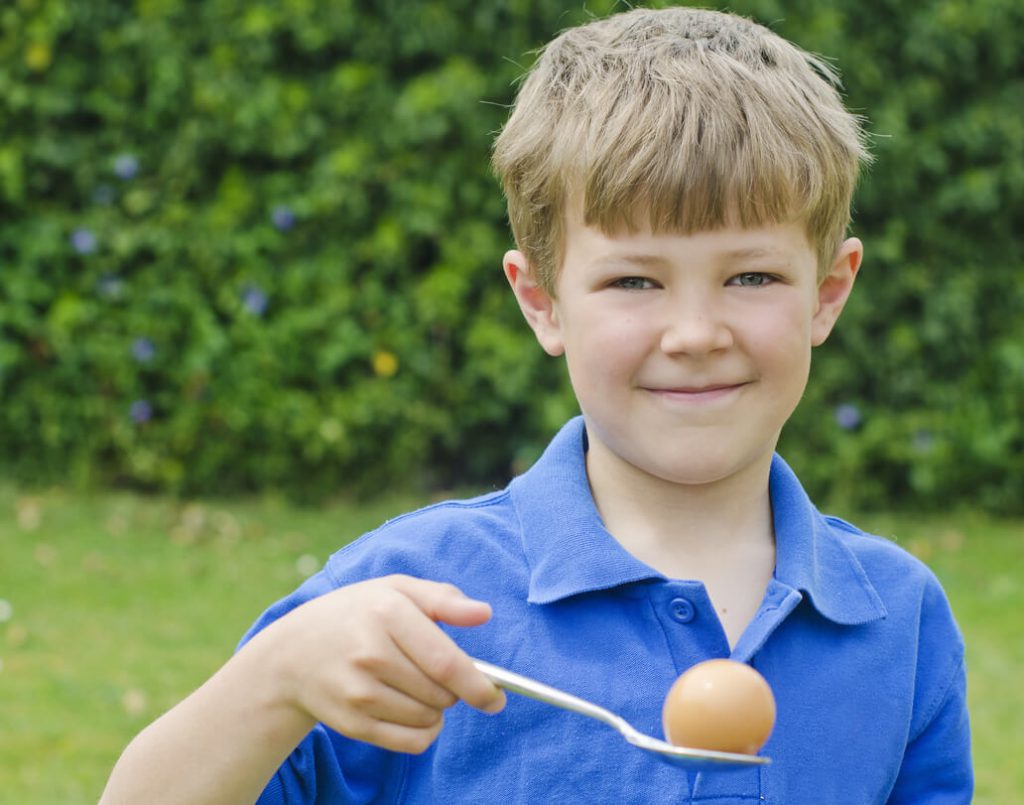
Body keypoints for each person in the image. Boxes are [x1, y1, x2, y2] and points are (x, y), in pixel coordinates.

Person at [101, 6, 972, 803]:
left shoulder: (899, 618)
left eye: (751, 276)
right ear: (543, 301)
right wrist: (276, 678)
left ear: (827, 291)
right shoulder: (413, 601)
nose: (696, 332)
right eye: (635, 280)